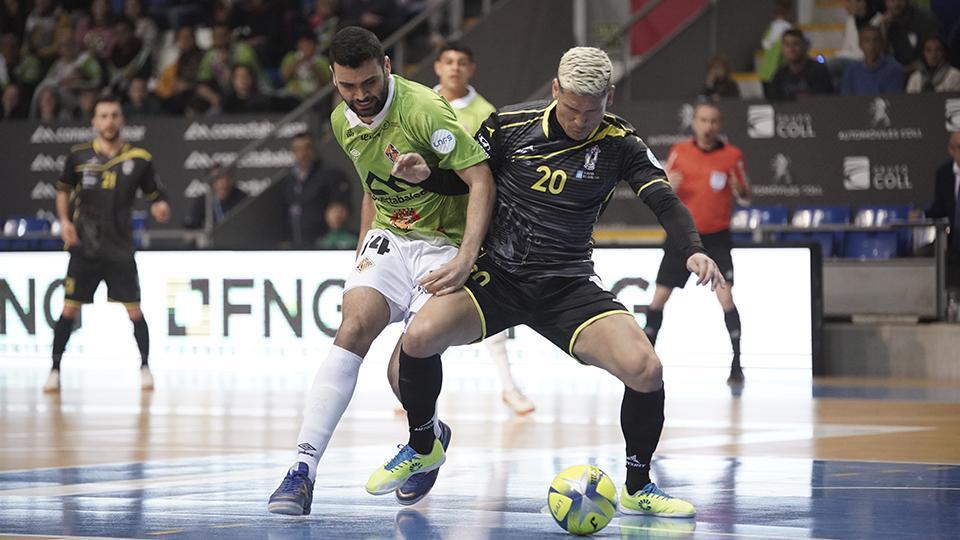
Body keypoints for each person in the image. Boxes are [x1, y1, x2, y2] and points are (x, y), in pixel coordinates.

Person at [373, 47, 724, 517]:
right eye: (572, 108)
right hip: (496, 275)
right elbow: (464, 180)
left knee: (647, 369)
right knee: (418, 337)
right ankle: (423, 445)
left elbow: (664, 200)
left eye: (593, 110)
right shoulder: (508, 126)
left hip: (568, 284)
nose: (581, 120)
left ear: (610, 98)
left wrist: (694, 248)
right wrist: (426, 175)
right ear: (555, 90)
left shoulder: (620, 142)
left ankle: (638, 485)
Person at [266, 26, 494, 515]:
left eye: (369, 82)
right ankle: (301, 472)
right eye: (348, 87)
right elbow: (371, 185)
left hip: (441, 244)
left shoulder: (425, 111)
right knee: (351, 329)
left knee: (401, 370)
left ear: (386, 66)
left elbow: (480, 179)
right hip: (389, 239)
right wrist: (362, 250)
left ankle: (426, 438)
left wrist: (467, 255)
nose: (361, 96)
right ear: (333, 78)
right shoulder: (340, 120)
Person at [432, 42, 535, 415]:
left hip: (472, 223)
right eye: (449, 62)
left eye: (462, 62)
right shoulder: (421, 104)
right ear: (437, 67)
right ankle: (419, 390)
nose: (455, 68)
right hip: (428, 219)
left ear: (471, 69)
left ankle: (508, 386)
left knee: (489, 303)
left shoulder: (486, 112)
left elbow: (492, 173)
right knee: (425, 310)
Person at [43, 95, 171, 393]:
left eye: (114, 115)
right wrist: (64, 221)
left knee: (134, 311)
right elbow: (62, 191)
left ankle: (144, 367)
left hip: (120, 248)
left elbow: (157, 196)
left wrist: (160, 208)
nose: (109, 121)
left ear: (121, 120)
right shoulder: (78, 156)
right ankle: (54, 370)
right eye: (103, 116)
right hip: (84, 248)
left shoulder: (138, 158)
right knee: (68, 311)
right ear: (94, 122)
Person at [645, 101, 751, 385]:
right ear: (694, 123)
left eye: (713, 121)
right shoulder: (680, 151)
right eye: (703, 120)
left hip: (717, 238)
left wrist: (739, 190)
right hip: (682, 236)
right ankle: (644, 359)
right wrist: (668, 184)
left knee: (726, 297)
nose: (708, 126)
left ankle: (737, 364)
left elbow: (746, 196)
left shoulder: (732, 156)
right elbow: (662, 188)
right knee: (659, 297)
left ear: (720, 124)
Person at [279, 131, 351, 247]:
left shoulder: (329, 173)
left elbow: (339, 207)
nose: (302, 154)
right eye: (297, 149)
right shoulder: (288, 178)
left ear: (314, 149)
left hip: (323, 243)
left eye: (306, 148)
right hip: (295, 243)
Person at [925, 131, 960, 292]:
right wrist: (922, 214)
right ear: (951, 150)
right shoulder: (944, 173)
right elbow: (939, 207)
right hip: (953, 237)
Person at [765, 29, 834, 100]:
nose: (791, 49)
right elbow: (773, 101)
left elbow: (823, 101)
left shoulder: (818, 70)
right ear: (782, 49)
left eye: (796, 44)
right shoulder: (779, 74)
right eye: (787, 45)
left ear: (805, 47)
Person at [875, 0, 941, 69]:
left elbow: (934, 56)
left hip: (922, 74)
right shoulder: (880, 22)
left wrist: (903, 71)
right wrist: (883, 31)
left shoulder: (925, 19)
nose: (896, 4)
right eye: (892, 0)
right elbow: (877, 59)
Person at [840, 25, 905, 95]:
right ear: (860, 44)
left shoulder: (894, 69)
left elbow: (892, 101)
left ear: (882, 43)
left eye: (876, 40)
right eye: (867, 41)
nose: (872, 45)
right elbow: (846, 101)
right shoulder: (851, 70)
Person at [183, 166, 247, 229]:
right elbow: (191, 226)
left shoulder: (242, 198)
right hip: (214, 237)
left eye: (225, 178)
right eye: (218, 179)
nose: (223, 183)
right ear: (211, 182)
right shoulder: (204, 199)